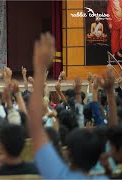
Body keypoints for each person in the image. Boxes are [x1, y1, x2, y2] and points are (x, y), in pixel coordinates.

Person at [27, 32, 107, 179]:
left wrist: (39, 69)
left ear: (67, 153)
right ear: (101, 155)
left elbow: (35, 126)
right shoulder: (104, 177)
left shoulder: (57, 175)